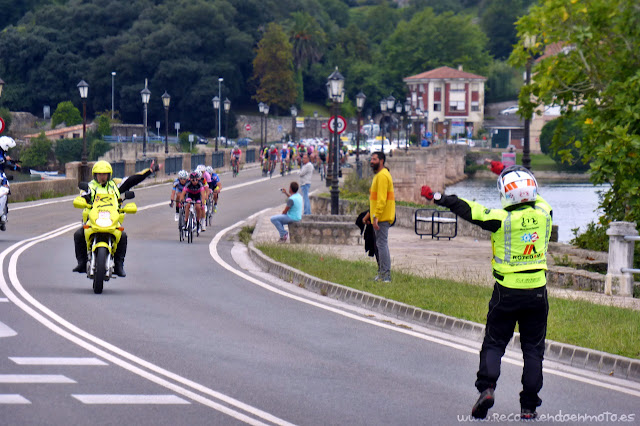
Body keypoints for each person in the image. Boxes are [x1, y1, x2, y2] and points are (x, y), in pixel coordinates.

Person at [421, 165, 553, 421]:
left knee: (494, 343)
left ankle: (487, 388)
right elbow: (532, 192)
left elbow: (469, 209)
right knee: (533, 350)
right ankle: (528, 407)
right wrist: (507, 170)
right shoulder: (545, 212)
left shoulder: (500, 219)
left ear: (505, 194)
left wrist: (438, 198)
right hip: (537, 291)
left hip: (506, 291)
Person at [73, 160, 159, 277]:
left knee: (123, 236)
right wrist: (82, 202)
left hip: (112, 219)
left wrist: (150, 171)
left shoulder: (115, 185)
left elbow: (132, 180)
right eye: (99, 174)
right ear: (95, 175)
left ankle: (119, 265)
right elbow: (82, 198)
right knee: (78, 234)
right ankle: (82, 263)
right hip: (93, 219)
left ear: (109, 175)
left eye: (104, 174)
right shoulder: (89, 187)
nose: (102, 177)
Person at [362, 152, 395, 283]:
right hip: (380, 216)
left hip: (382, 217)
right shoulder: (380, 175)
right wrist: (369, 215)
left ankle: (385, 275)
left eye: (374, 159)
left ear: (381, 161)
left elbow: (381, 200)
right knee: (380, 244)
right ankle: (382, 273)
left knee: (382, 245)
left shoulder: (382, 176)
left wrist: (376, 217)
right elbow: (375, 200)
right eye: (371, 159)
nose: (371, 161)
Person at [0, 136, 21, 231]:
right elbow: (5, 163)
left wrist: (12, 162)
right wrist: (15, 167)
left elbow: (5, 161)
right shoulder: (1, 154)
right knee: (5, 187)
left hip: (1, 176)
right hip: (1, 176)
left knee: (6, 189)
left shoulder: (2, 153)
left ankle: (4, 213)